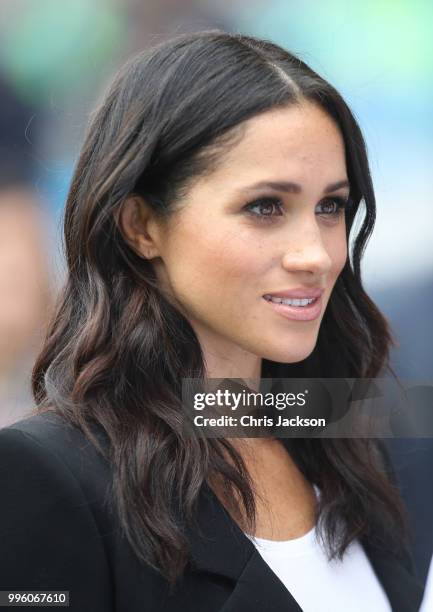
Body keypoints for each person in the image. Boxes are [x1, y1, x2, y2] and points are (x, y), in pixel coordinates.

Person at [0, 30, 424, 611]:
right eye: (265, 207)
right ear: (141, 226)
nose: (318, 254)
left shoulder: (368, 423)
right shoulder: (49, 474)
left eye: (331, 206)